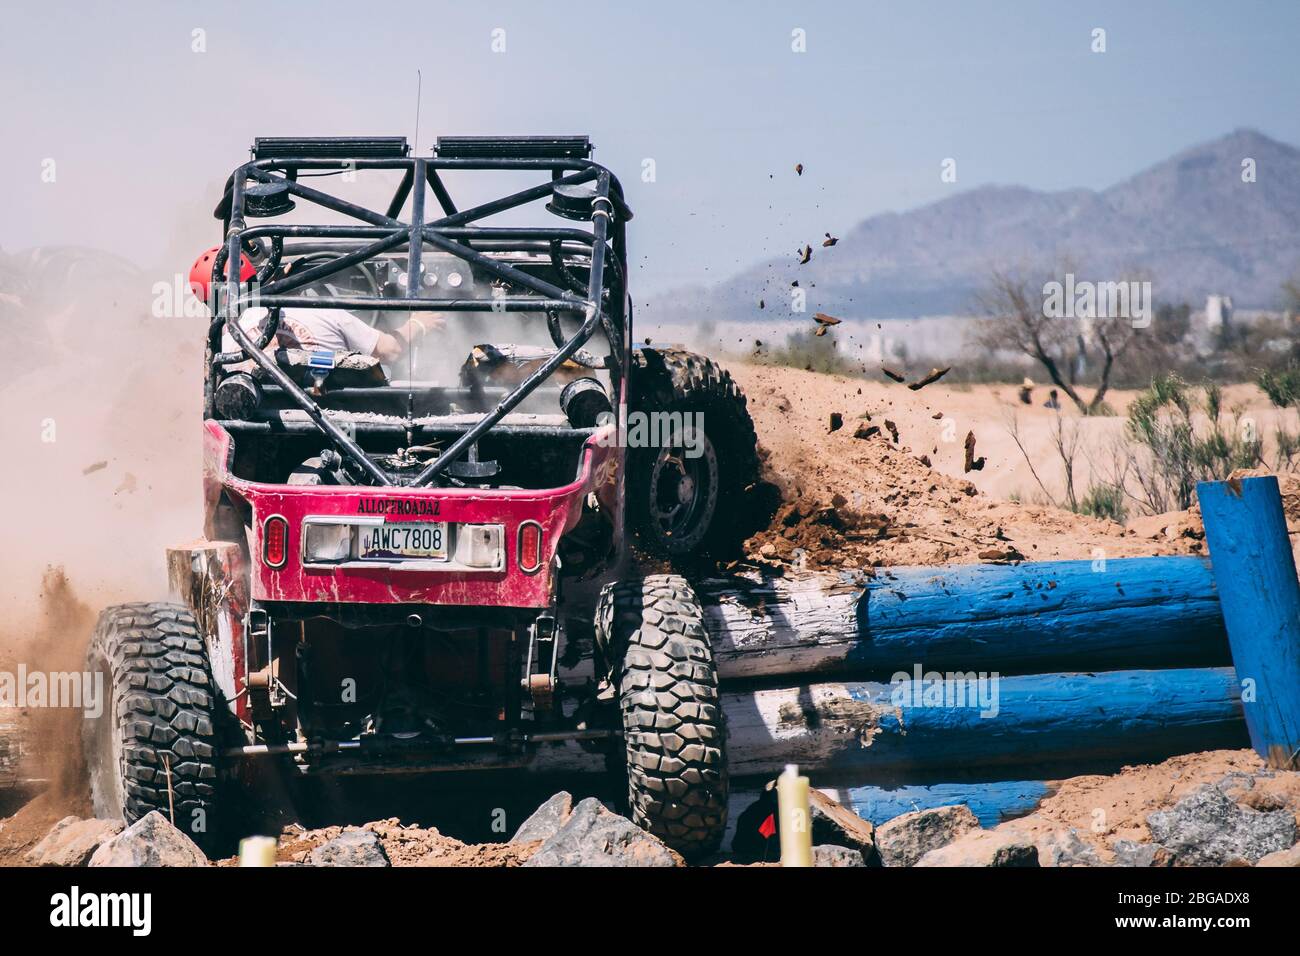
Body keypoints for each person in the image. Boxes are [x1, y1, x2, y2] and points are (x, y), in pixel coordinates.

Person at [189, 246, 442, 363]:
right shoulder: (326, 314)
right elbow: (391, 351)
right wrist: (418, 323)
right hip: (336, 424)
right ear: (259, 276)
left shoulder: (223, 343)